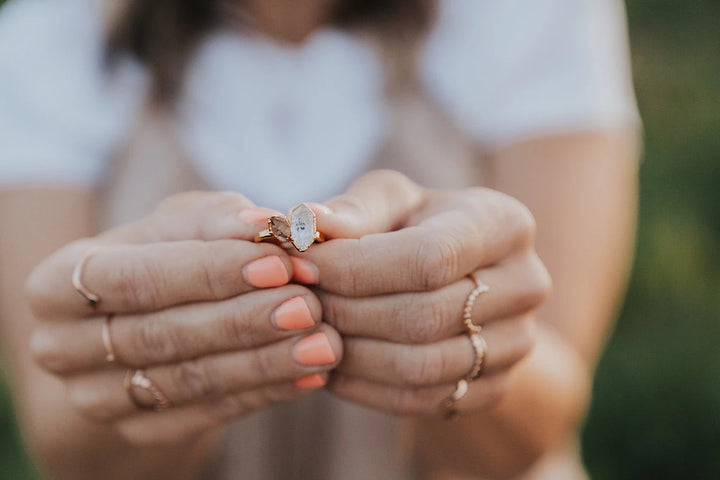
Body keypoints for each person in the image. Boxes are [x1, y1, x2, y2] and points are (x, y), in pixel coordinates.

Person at [0, 0, 640, 479]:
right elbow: (62, 439)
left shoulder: (530, 15)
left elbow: (540, 422)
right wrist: (162, 357)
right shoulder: (50, 38)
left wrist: (456, 331)